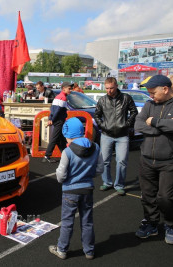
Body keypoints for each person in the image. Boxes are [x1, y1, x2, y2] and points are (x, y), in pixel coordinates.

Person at [48, 117, 103, 260]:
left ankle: (62, 249)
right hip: (87, 189)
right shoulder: (95, 147)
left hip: (70, 191)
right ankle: (89, 251)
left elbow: (61, 174)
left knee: (67, 222)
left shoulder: (67, 152)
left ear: (68, 134)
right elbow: (100, 169)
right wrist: (89, 175)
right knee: (87, 221)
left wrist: (64, 180)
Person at [134, 75, 173, 244]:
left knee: (165, 197)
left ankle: (171, 224)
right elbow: (138, 124)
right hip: (146, 159)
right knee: (147, 195)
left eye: (153, 92)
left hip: (169, 161)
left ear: (165, 89)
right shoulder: (149, 105)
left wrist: (155, 121)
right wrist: (162, 128)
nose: (150, 96)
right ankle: (151, 222)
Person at [94, 77, 138, 196]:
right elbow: (96, 115)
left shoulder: (126, 98)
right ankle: (107, 182)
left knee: (122, 161)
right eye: (107, 88)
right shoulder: (102, 100)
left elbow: (134, 112)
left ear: (116, 86)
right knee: (104, 161)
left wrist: (127, 125)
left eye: (111, 88)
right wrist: (103, 126)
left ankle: (119, 185)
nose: (109, 90)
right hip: (106, 135)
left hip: (122, 135)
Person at [44, 82, 72, 163]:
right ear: (64, 89)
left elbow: (52, 109)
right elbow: (57, 110)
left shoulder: (58, 97)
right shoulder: (63, 98)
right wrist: (52, 119)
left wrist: (51, 118)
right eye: (69, 89)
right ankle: (47, 155)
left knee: (61, 139)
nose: (70, 90)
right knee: (55, 138)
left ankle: (66, 155)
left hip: (57, 120)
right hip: (59, 121)